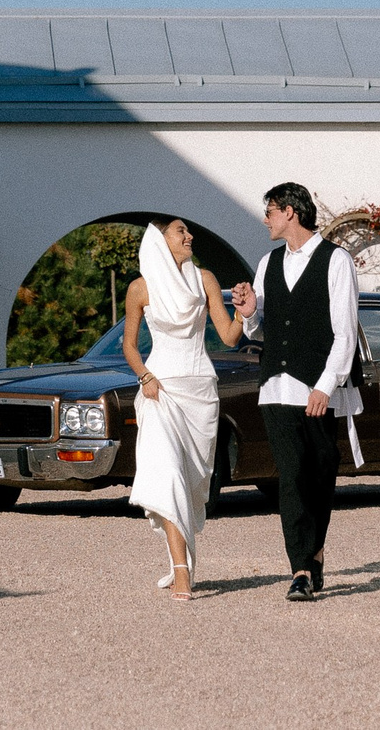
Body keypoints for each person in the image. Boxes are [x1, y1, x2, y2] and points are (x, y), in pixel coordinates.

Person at [228, 181, 361, 602]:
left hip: (319, 389)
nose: (265, 219)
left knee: (320, 474)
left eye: (269, 211)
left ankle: (315, 551)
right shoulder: (267, 263)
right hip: (276, 386)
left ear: (290, 212)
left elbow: (345, 334)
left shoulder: (337, 261)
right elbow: (260, 324)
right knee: (291, 476)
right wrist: (249, 313)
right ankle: (301, 569)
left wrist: (325, 386)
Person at [122, 218, 244, 600]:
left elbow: (227, 336)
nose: (189, 236)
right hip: (160, 391)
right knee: (167, 473)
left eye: (187, 231)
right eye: (180, 232)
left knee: (192, 485)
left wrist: (244, 311)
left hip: (200, 392)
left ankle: (185, 559)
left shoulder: (204, 279)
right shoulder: (140, 288)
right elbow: (129, 346)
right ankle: (180, 574)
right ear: (160, 242)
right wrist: (145, 378)